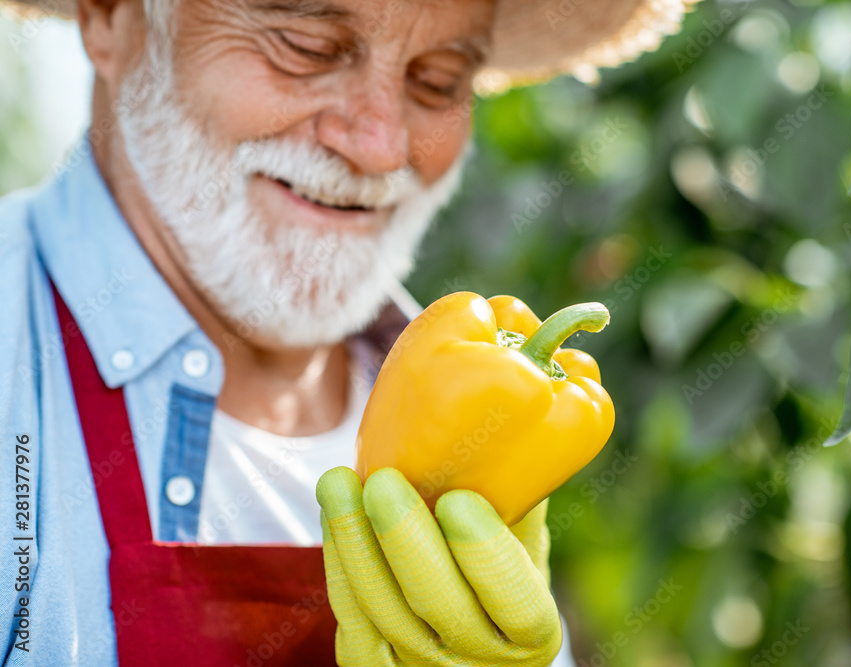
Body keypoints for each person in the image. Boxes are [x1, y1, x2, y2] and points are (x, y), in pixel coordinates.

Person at [0, 0, 692, 663]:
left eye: (438, 80)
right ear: (110, 14)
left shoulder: (484, 405)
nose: (380, 146)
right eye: (305, 48)